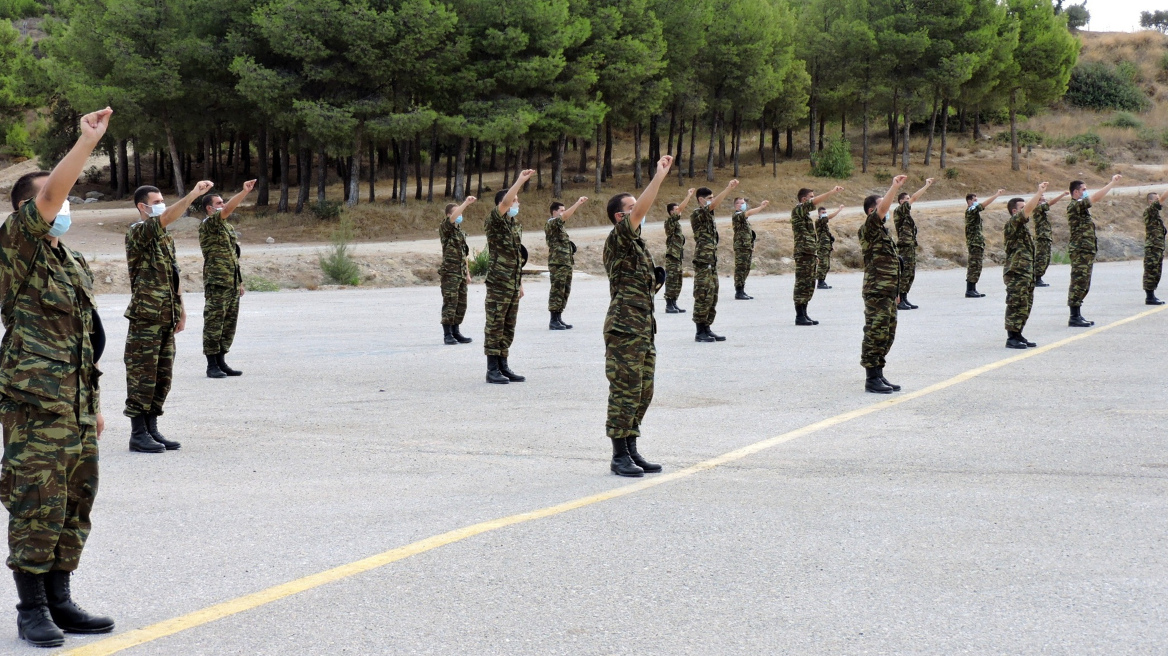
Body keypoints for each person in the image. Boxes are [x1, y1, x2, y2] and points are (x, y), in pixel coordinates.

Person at [1, 107, 115, 648]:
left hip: (72, 405)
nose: (63, 204)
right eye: (54, 197)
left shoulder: (69, 262)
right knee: (35, 506)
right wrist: (86, 143)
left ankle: (61, 600)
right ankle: (32, 609)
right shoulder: (16, 247)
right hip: (33, 408)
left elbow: (81, 343)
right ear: (27, 208)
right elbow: (47, 198)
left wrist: (91, 404)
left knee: (74, 503)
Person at [125, 179, 214, 453]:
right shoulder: (139, 232)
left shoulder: (165, 237)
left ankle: (152, 429)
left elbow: (173, 275)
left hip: (166, 315)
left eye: (162, 200)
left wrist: (182, 310)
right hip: (146, 318)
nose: (161, 204)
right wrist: (193, 194)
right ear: (142, 207)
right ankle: (138, 434)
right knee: (143, 375)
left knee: (162, 376)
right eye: (156, 201)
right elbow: (166, 217)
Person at [603, 155, 674, 477]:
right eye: (632, 208)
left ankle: (632, 449)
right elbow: (643, 208)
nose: (640, 213)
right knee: (625, 390)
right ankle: (619, 456)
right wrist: (658, 177)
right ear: (621, 216)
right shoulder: (618, 238)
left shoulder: (637, 246)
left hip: (643, 327)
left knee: (644, 390)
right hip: (624, 329)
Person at [199, 180, 256, 377]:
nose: (223, 206)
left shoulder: (227, 228)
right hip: (217, 282)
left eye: (223, 202)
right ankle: (211, 365)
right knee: (214, 323)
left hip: (230, 282)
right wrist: (244, 192)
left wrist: (239, 282)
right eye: (219, 203)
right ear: (209, 208)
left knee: (228, 324)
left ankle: (222, 362)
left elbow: (233, 255)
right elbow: (229, 208)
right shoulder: (209, 224)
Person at [484, 170, 534, 383]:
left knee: (508, 325)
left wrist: (520, 282)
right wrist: (520, 181)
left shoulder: (514, 226)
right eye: (514, 200)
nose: (517, 203)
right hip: (498, 283)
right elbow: (504, 202)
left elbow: (515, 257)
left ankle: (504, 365)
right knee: (495, 323)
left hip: (512, 282)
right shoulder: (494, 221)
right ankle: (492, 369)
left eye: (517, 200)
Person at [859, 175, 907, 394]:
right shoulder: (868, 228)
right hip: (876, 291)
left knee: (888, 334)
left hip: (888, 292)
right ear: (872, 211)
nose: (887, 210)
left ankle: (879, 373)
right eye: (882, 207)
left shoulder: (884, 235)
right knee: (875, 332)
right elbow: (882, 208)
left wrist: (897, 293)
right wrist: (894, 187)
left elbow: (893, 265)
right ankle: (871, 378)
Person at [1066, 174, 1122, 327]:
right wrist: (1111, 183)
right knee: (1078, 281)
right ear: (1076, 192)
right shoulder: (1074, 205)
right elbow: (1095, 198)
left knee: (1084, 282)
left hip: (1086, 251)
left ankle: (1077, 314)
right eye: (1083, 189)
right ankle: (1074, 316)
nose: (1086, 192)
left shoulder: (1080, 207)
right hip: (1080, 251)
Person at [690, 180, 739, 342]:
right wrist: (728, 188)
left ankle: (707, 328)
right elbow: (712, 206)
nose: (712, 200)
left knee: (712, 295)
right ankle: (699, 332)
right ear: (701, 200)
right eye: (709, 197)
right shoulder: (697, 213)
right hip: (703, 261)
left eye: (713, 197)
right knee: (702, 295)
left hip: (711, 261)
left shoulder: (709, 216)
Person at [1002, 183, 1049, 349]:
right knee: (1016, 303)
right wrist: (1039, 193)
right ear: (1015, 211)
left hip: (1026, 273)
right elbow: (1028, 209)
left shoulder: (1023, 228)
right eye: (1021, 207)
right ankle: (1011, 338)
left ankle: (1018, 333)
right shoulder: (1012, 224)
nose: (1027, 209)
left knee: (1025, 304)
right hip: (1016, 272)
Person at [791, 186, 843, 325]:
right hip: (802, 253)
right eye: (811, 196)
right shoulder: (798, 210)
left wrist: (814, 254)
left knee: (809, 284)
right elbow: (814, 203)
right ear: (804, 199)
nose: (813, 199)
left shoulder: (805, 215)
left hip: (809, 253)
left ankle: (805, 313)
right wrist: (831, 192)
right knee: (802, 283)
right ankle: (799, 316)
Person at [545, 196, 588, 330]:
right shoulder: (551, 223)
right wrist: (577, 203)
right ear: (554, 212)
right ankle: (553, 320)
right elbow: (565, 217)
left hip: (565, 263)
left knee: (565, 290)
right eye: (561, 210)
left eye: (564, 210)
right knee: (557, 290)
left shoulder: (560, 227)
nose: (564, 212)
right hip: (557, 263)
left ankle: (558, 317)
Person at [439, 195, 477, 344]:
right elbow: (453, 218)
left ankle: (456, 331)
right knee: (450, 302)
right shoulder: (446, 228)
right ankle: (447, 334)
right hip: (450, 273)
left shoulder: (460, 232)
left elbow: (464, 255)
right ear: (449, 215)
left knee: (461, 303)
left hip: (460, 273)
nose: (460, 215)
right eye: (457, 213)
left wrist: (467, 273)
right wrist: (465, 203)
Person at [893, 178, 935, 310]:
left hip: (910, 246)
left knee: (910, 273)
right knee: (904, 273)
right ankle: (899, 300)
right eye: (906, 199)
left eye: (908, 198)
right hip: (904, 246)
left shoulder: (907, 215)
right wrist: (926, 185)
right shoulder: (899, 211)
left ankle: (904, 298)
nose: (909, 200)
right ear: (901, 201)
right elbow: (915, 198)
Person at [964, 188, 1004, 298]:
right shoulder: (971, 210)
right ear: (969, 201)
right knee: (974, 265)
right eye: (975, 199)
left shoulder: (973, 210)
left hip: (978, 242)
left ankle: (973, 288)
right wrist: (996, 194)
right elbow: (983, 205)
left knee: (977, 266)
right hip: (974, 243)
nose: (976, 201)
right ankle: (969, 289)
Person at [663, 188, 695, 313]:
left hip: (678, 256)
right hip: (672, 256)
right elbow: (680, 209)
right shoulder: (669, 221)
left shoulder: (677, 224)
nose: (679, 211)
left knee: (678, 280)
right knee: (671, 280)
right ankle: (668, 305)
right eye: (676, 210)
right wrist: (688, 196)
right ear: (671, 212)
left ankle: (674, 302)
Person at [731, 197, 769, 300]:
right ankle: (738, 291)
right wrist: (761, 207)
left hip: (747, 247)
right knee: (740, 268)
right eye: (741, 203)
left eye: (744, 203)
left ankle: (742, 290)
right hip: (741, 247)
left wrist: (751, 245)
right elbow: (749, 213)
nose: (744, 205)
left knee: (746, 268)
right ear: (736, 205)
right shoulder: (737, 216)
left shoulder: (745, 220)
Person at [1031, 190, 1068, 287]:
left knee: (1046, 259)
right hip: (1042, 238)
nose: (1044, 198)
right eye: (1041, 198)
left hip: (1045, 237)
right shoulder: (1037, 208)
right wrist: (1062, 194)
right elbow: (1051, 203)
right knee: (1041, 258)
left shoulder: (1041, 209)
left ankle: (1038, 278)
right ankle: (1035, 278)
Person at [1142, 188, 1167, 305]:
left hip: (1157, 247)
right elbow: (1163, 198)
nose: (1159, 201)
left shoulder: (1155, 215)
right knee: (1151, 271)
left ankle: (1152, 295)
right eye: (1156, 199)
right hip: (1152, 247)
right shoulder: (1150, 210)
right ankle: (1149, 297)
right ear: (1151, 202)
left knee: (1156, 271)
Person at [815, 204, 843, 289]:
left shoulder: (824, 225)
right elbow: (829, 217)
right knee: (823, 264)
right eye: (823, 212)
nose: (825, 214)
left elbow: (828, 236)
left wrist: (831, 246)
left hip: (826, 247)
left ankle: (822, 281)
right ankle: (820, 282)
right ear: (819, 214)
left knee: (826, 265)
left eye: (825, 212)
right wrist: (839, 210)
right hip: (822, 247)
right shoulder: (819, 221)